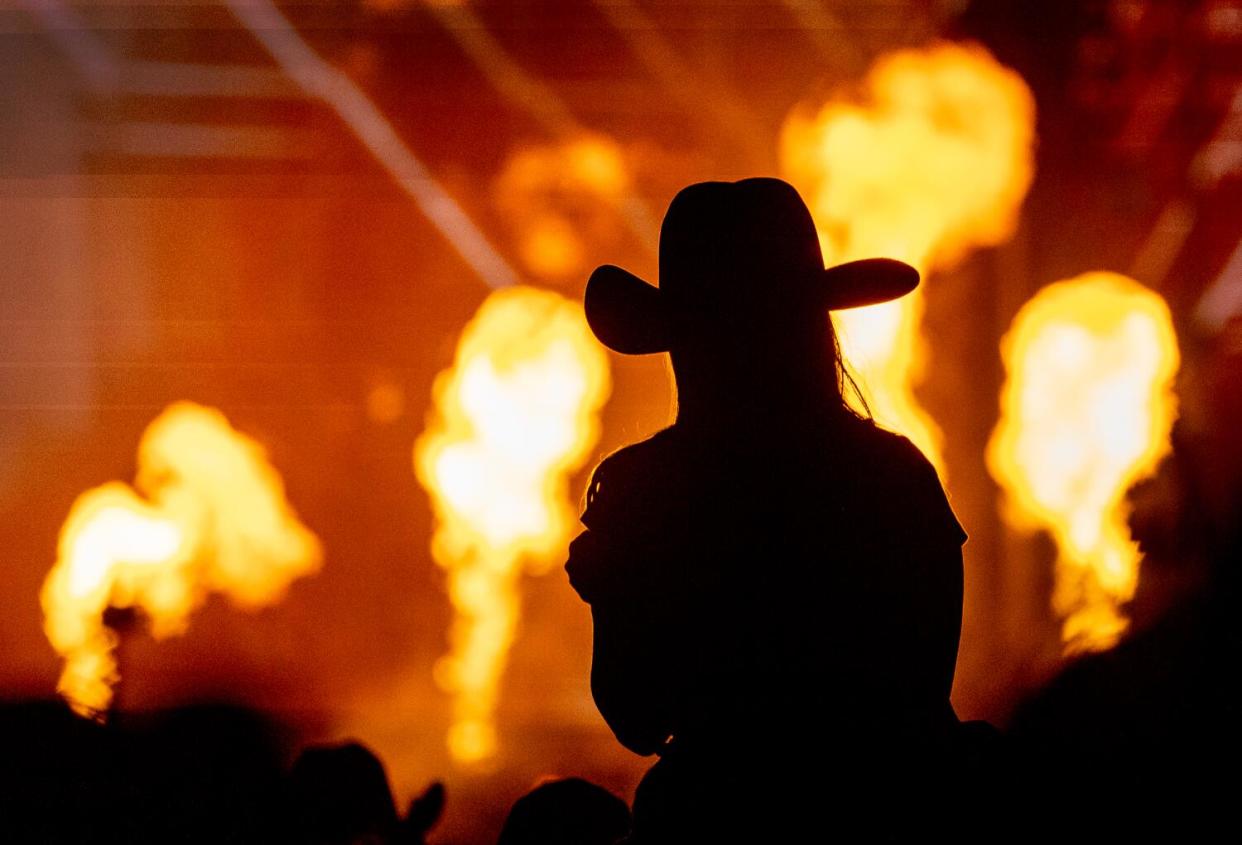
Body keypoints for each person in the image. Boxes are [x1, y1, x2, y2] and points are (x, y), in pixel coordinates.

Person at [565, 178, 967, 841]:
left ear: (684, 339)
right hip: (891, 817)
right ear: (809, 323)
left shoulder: (643, 487)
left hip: (711, 822)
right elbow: (924, 693)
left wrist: (614, 590)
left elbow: (635, 714)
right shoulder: (895, 475)